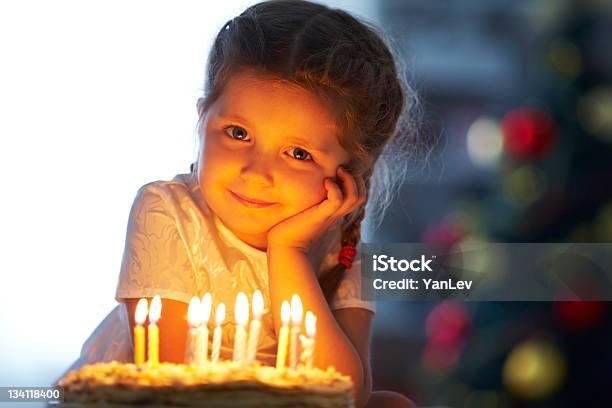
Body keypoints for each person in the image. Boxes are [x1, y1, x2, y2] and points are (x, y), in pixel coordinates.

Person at [58, 1, 423, 406]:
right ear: (202, 118)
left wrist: (289, 252)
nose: (255, 172)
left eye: (298, 154)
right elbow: (175, 387)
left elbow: (347, 395)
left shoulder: (344, 252)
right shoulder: (167, 211)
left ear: (349, 174)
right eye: (237, 132)